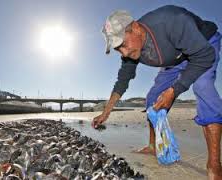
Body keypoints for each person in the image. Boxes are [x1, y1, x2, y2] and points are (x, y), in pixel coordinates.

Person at [91, 5, 222, 179]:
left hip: (203, 45)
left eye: (123, 44)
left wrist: (174, 91)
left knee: (203, 87)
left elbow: (205, 56)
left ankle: (214, 163)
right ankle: (153, 146)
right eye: (118, 49)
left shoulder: (171, 21)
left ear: (136, 28)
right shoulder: (130, 52)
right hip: (175, 60)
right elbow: (123, 80)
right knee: (153, 98)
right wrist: (105, 112)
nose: (124, 53)